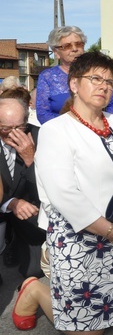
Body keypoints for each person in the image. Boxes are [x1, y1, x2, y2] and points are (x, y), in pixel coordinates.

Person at [23, 51, 113, 332]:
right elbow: (64, 194)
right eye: (95, 78)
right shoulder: (56, 130)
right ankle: (35, 291)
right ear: (74, 84)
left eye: (109, 80)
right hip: (78, 238)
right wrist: (111, 231)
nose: (104, 85)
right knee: (89, 328)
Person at [36, 26, 113, 123]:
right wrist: (72, 126)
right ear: (56, 52)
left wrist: (97, 124)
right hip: (63, 133)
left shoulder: (99, 72)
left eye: (79, 44)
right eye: (67, 46)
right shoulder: (47, 76)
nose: (74, 49)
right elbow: (43, 113)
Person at [0, 97, 43, 279]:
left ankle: (15, 242)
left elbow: (50, 187)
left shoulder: (40, 136)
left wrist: (31, 159)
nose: (14, 134)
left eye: (20, 127)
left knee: (34, 271)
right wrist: (9, 203)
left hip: (30, 208)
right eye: (6, 129)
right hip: (4, 205)